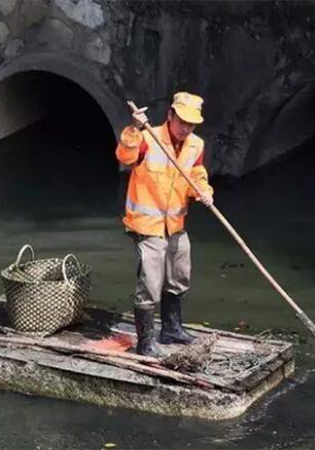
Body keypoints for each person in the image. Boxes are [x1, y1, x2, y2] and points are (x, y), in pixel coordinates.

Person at [115, 92, 214, 356]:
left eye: (191, 124)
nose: (186, 129)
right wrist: (133, 128)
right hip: (147, 224)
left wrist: (203, 191)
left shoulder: (196, 145)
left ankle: (171, 328)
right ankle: (145, 343)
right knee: (150, 282)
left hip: (175, 223)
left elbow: (196, 174)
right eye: (182, 122)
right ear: (170, 115)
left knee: (179, 274)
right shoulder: (148, 137)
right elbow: (125, 157)